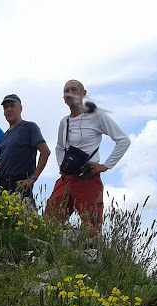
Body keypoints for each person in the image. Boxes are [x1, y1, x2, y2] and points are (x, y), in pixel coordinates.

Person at [45, 79, 131, 234]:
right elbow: (59, 148)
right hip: (66, 178)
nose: (69, 94)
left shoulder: (96, 116)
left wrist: (105, 166)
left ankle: (91, 256)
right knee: (50, 222)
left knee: (91, 227)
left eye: (74, 90)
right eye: (66, 91)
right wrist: (62, 166)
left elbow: (123, 140)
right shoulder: (64, 122)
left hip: (88, 177)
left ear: (83, 94)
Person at [0, 94, 50, 199]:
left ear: (20, 109)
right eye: (6, 107)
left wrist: (33, 178)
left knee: (22, 214)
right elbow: (4, 158)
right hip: (3, 187)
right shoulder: (5, 135)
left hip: (20, 186)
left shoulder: (29, 127)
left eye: (12, 106)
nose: (9, 110)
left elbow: (45, 151)